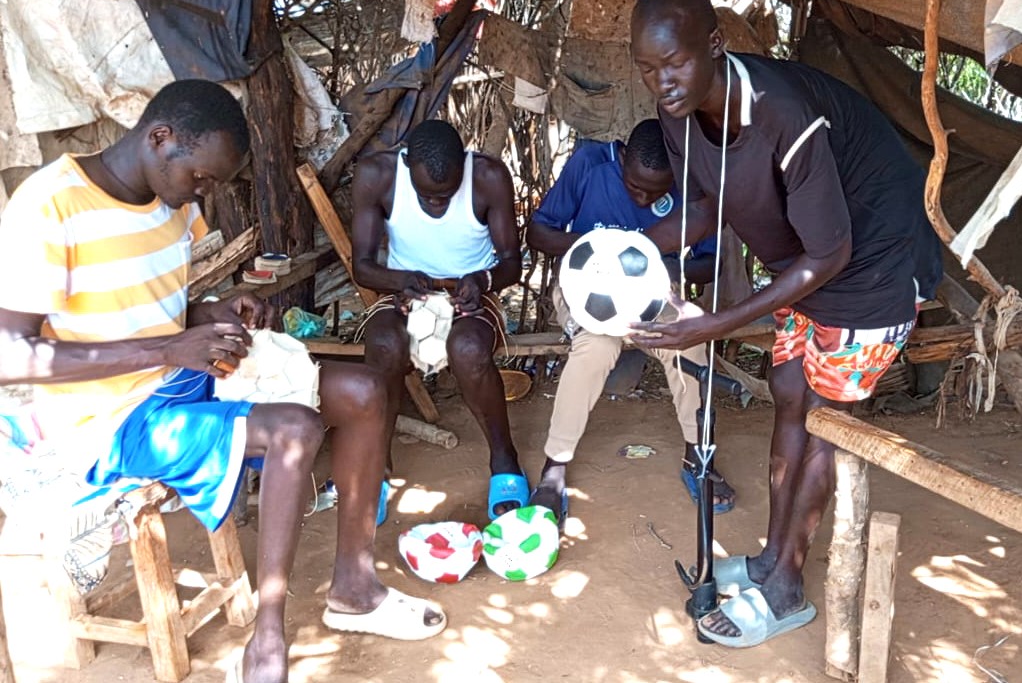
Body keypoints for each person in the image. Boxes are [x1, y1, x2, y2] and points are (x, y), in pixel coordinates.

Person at [0, 80, 446, 683]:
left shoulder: (173, 204)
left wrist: (213, 311)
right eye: (202, 179)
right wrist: (169, 346)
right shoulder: (50, 205)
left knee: (365, 392)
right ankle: (267, 640)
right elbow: (11, 354)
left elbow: (154, 308)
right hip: (107, 422)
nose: (205, 195)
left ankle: (354, 589)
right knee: (295, 430)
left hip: (177, 380)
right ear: (160, 139)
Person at [629, 0, 943, 647]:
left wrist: (717, 322)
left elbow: (831, 253)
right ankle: (772, 553)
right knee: (789, 392)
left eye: (676, 61)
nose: (664, 82)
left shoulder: (780, 112)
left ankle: (789, 585)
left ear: (714, 43)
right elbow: (704, 206)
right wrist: (622, 250)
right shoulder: (679, 116)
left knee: (826, 422)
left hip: (871, 266)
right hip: (809, 263)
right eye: (649, 68)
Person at [525, 119, 735, 520]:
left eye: (655, 193)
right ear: (621, 159)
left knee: (690, 345)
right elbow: (539, 232)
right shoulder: (590, 164)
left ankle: (698, 455)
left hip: (653, 298)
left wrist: (653, 263)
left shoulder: (690, 183)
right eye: (634, 186)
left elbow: (710, 264)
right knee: (594, 347)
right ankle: (554, 468)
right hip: (587, 294)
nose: (642, 199)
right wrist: (602, 250)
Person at [350, 119, 527, 520]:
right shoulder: (378, 174)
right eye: (427, 197)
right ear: (407, 164)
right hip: (403, 292)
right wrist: (400, 281)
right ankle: (378, 466)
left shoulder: (487, 177)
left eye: (446, 196)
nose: (437, 205)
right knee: (383, 347)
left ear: (463, 166)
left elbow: (512, 263)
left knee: (467, 349)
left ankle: (504, 458)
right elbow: (362, 266)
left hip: (471, 294)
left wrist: (481, 281)